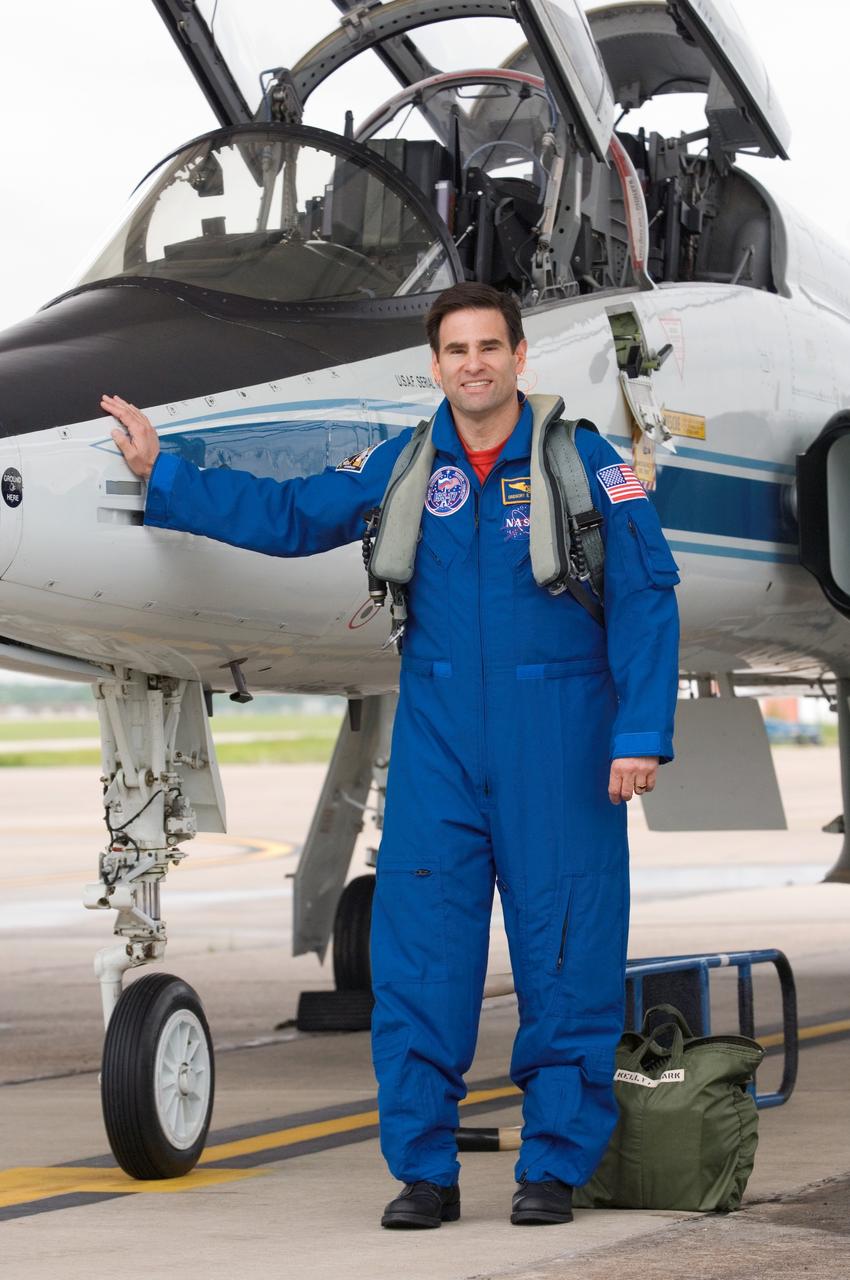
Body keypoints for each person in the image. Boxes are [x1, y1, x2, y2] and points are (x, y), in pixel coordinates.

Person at [101, 281, 680, 1229]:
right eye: (457, 350)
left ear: (520, 357)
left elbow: (649, 594)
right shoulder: (408, 464)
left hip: (562, 739)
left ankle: (552, 1170)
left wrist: (640, 733)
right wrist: (167, 473)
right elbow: (292, 516)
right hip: (439, 739)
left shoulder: (586, 462)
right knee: (421, 961)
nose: (475, 364)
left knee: (567, 960)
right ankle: (425, 1173)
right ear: (438, 363)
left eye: (491, 347)